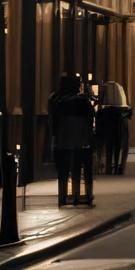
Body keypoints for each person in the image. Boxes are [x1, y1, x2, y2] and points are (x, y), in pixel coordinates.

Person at [49, 75, 95, 207]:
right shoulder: (82, 101)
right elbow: (90, 116)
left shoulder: (57, 100)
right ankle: (82, 194)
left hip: (63, 140)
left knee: (63, 169)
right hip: (81, 140)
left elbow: (54, 121)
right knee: (80, 167)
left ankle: (63, 195)